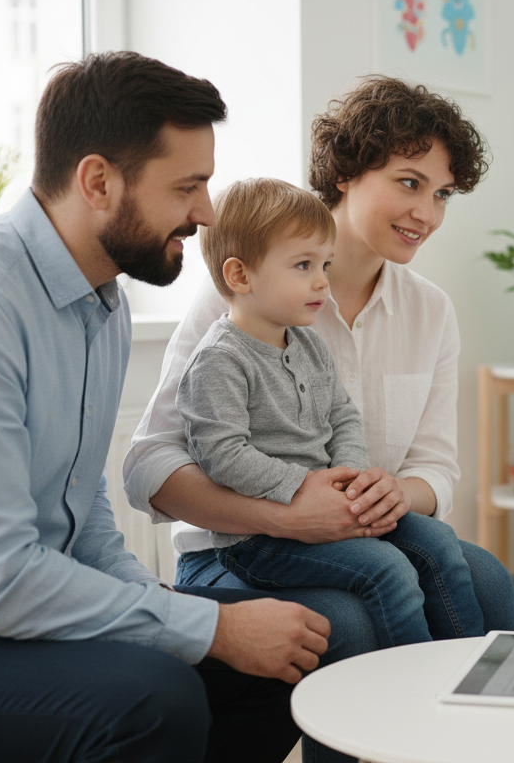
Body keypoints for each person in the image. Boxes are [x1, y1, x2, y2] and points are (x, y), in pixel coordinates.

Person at [0, 52, 344, 762]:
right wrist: (206, 628)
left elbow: (82, 515)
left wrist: (176, 612)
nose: (206, 212)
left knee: (285, 654)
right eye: (188, 187)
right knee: (155, 696)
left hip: (2, 623)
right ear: (99, 181)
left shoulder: (99, 303)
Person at [124, 75, 514, 760]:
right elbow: (148, 468)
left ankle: (490, 738)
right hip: (236, 554)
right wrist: (287, 511)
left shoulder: (430, 310)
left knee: (486, 575)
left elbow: (435, 466)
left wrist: (399, 489)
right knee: (343, 620)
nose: (427, 211)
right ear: (344, 173)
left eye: (442, 194)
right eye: (408, 182)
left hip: (362, 535)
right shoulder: (241, 298)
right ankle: (423, 736)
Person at [177, 177, 484, 647]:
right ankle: (418, 689)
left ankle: (471, 674)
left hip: (334, 507)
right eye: (304, 266)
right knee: (389, 569)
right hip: (257, 540)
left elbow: (343, 415)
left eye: (324, 264)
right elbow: (221, 452)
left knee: (439, 542)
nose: (322, 280)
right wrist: (302, 490)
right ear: (239, 276)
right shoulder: (219, 359)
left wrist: (351, 477)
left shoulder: (307, 343)